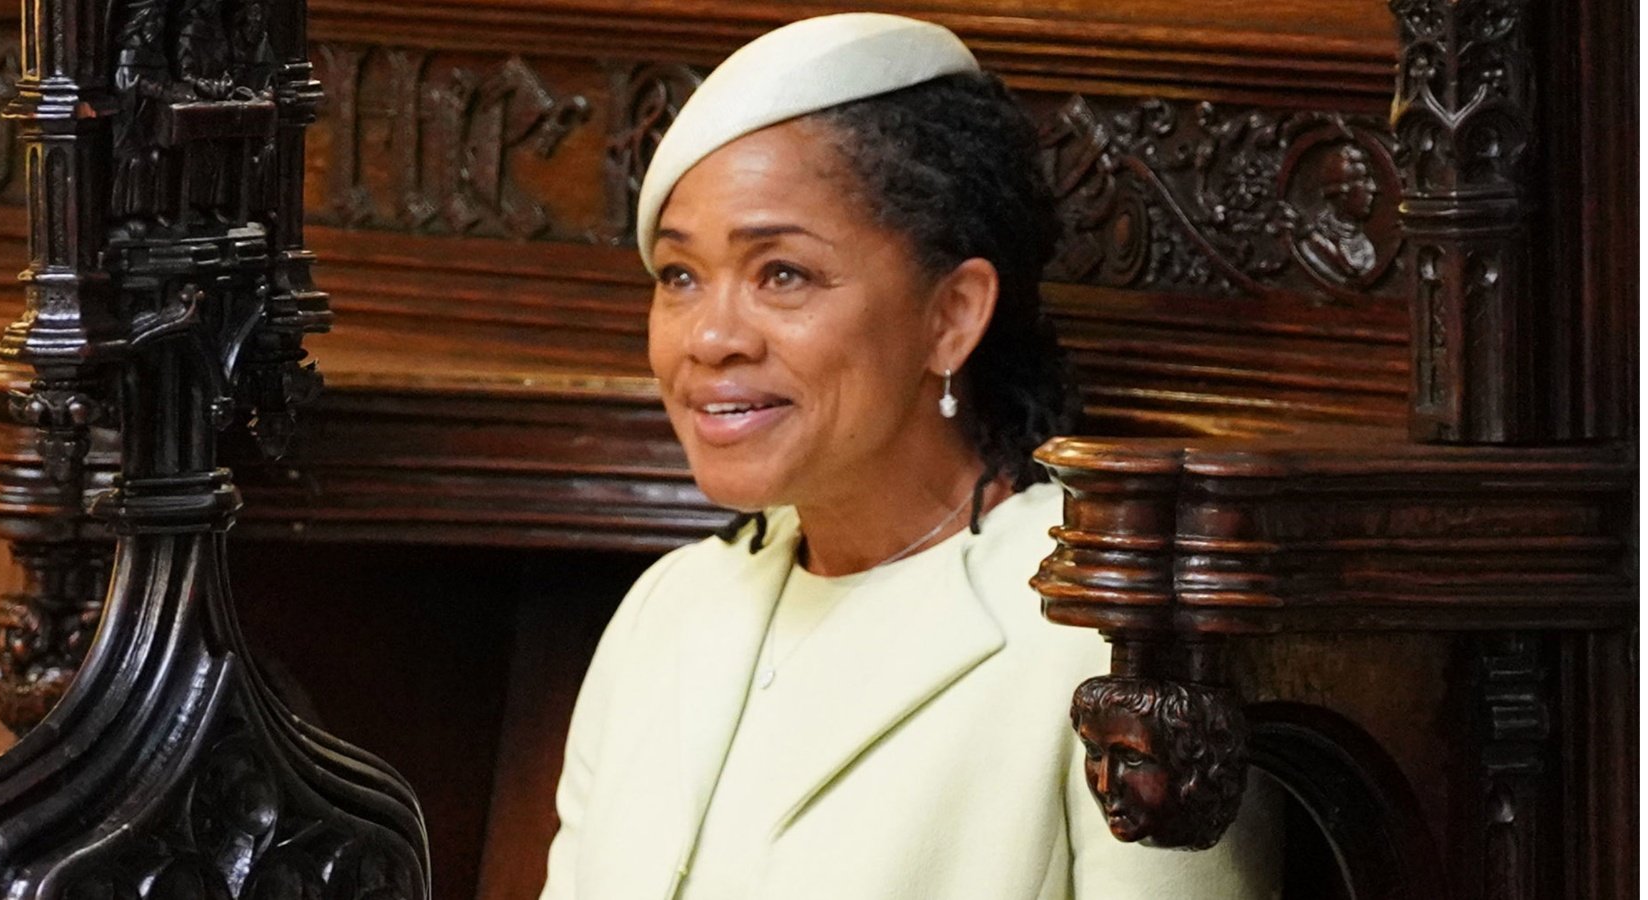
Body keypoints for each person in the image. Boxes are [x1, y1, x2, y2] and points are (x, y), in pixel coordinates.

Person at [540, 13, 1281, 899]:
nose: (708, 337)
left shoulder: (1114, 634)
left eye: (783, 274)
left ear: (951, 316)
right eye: (680, 276)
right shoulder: (664, 611)